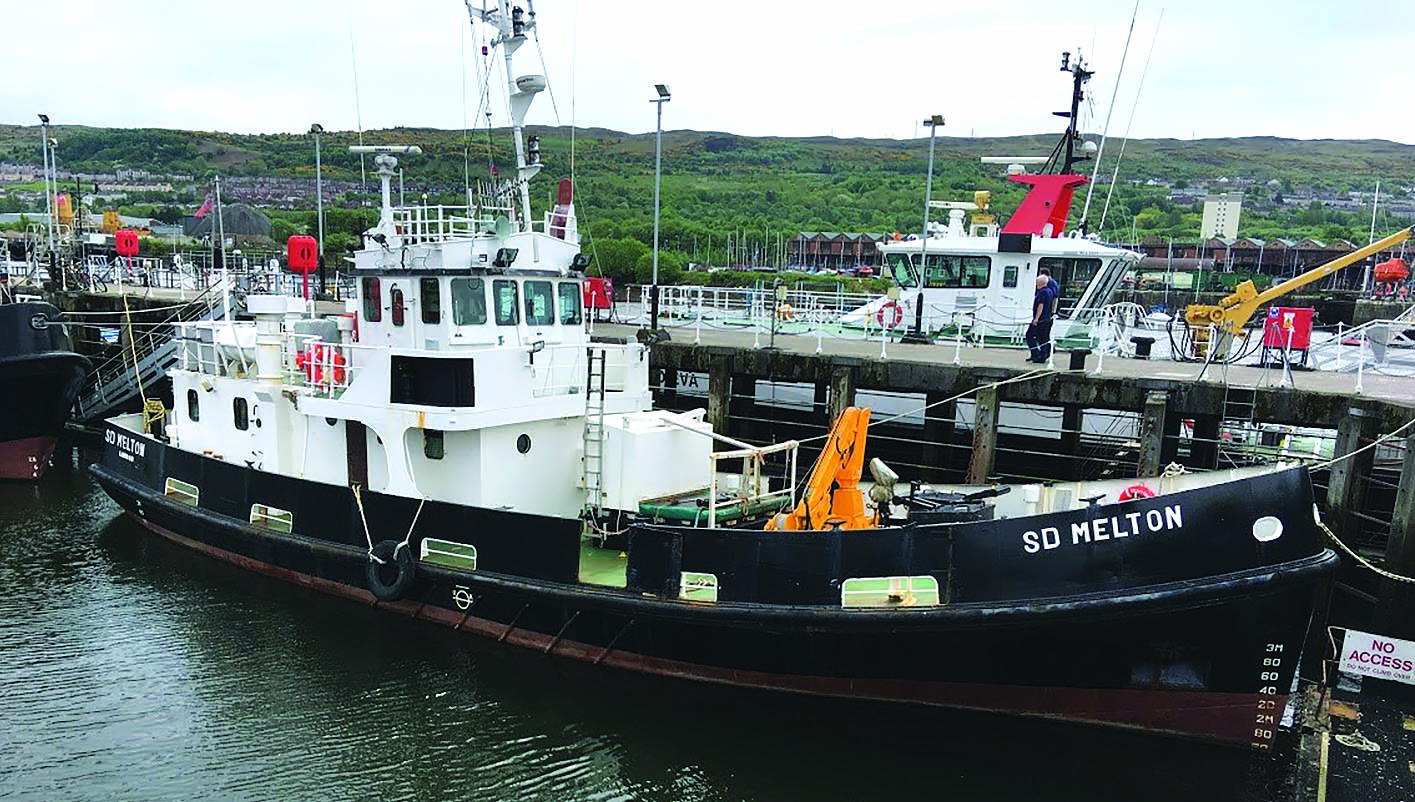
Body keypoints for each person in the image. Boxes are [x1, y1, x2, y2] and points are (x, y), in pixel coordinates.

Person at [1025, 274, 1055, 363]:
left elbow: (1040, 306)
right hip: (1047, 319)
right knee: (1043, 338)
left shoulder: (1042, 292)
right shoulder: (1049, 291)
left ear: (1040, 282)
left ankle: (1036, 354)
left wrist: (1036, 319)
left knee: (1030, 335)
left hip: (1041, 320)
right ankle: (1044, 353)